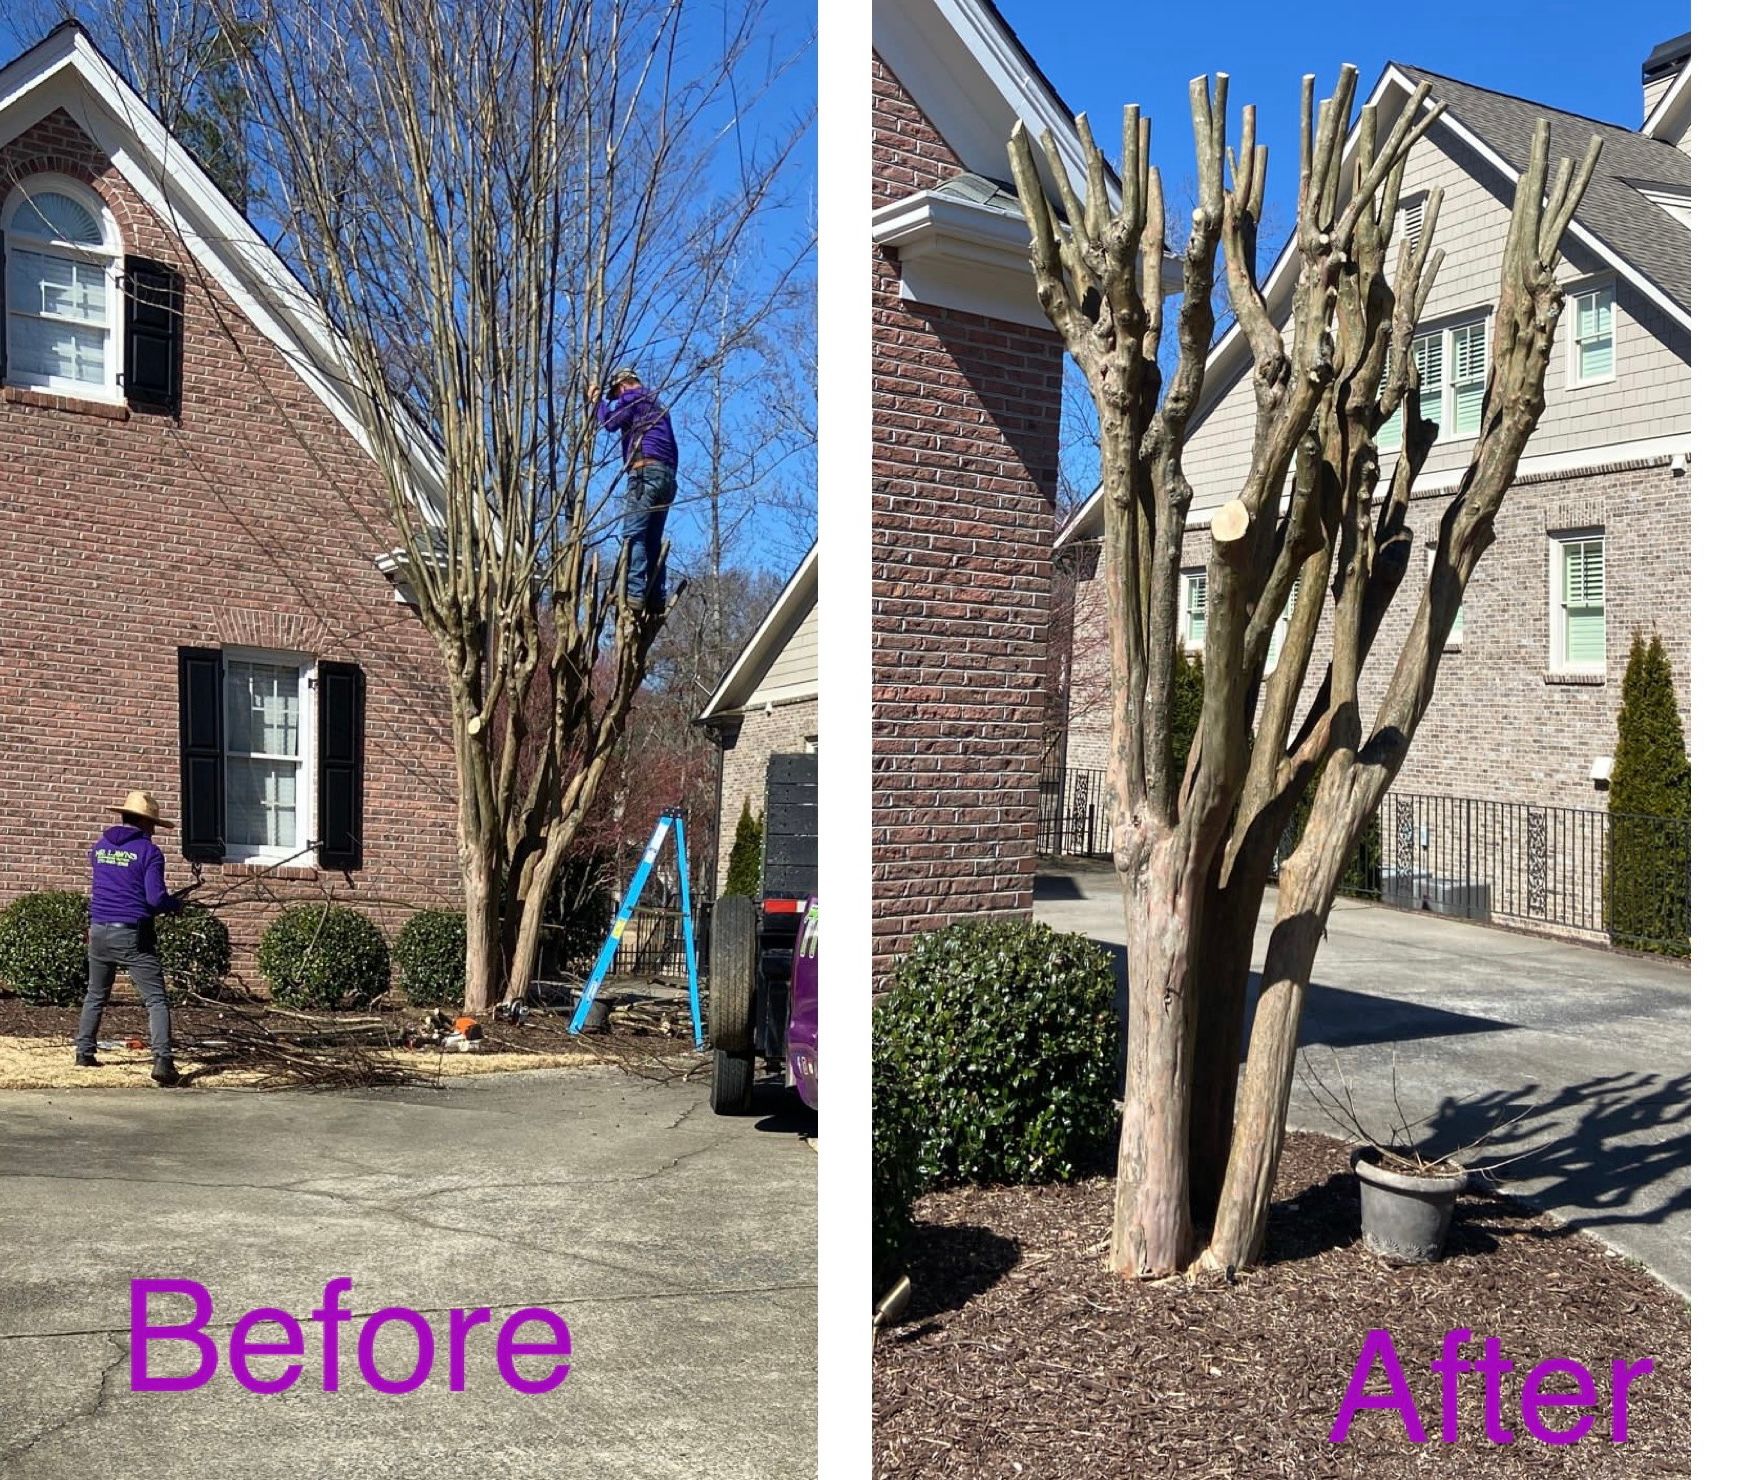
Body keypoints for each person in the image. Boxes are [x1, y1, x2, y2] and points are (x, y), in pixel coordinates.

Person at [78, 789, 193, 1086]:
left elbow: (118, 888)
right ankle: (163, 1063)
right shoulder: (149, 852)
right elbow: (154, 899)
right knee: (156, 999)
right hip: (131, 934)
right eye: (152, 824)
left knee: (95, 994)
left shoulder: (100, 847)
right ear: (144, 822)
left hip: (99, 930)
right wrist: (175, 905)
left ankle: (84, 1052)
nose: (154, 830)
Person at [592, 367, 679, 612]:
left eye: (617, 393)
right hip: (667, 478)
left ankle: (633, 594)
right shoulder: (658, 404)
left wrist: (596, 401)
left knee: (634, 535)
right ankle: (655, 597)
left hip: (645, 473)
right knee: (652, 539)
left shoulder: (632, 397)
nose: (618, 399)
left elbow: (609, 422)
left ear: (623, 386)